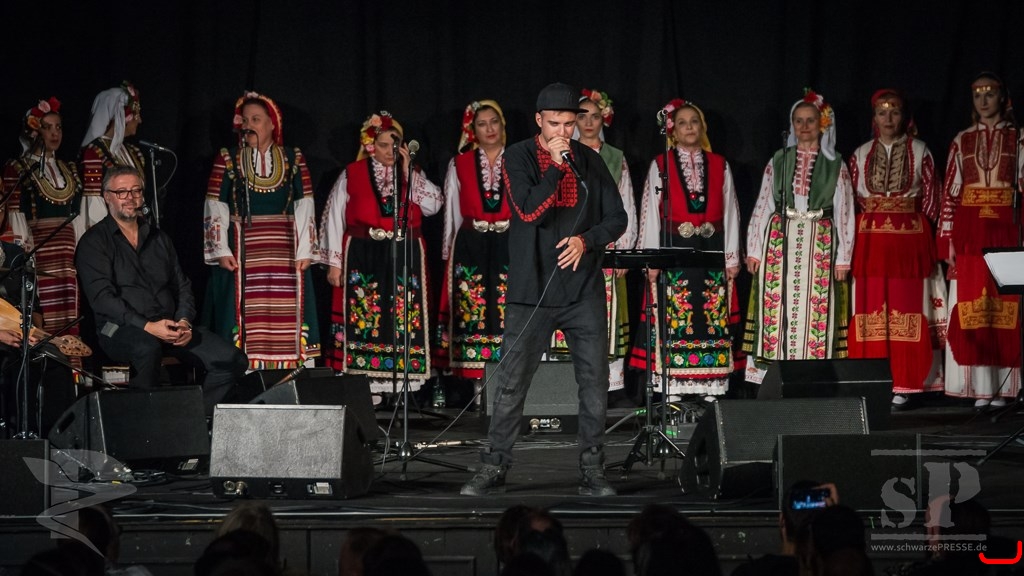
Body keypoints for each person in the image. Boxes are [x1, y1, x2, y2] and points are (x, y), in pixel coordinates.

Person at [460, 83, 627, 497]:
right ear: (539, 120)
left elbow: (617, 217)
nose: (563, 132)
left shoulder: (589, 160)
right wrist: (553, 166)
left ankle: (593, 468)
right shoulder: (517, 157)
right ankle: (494, 465)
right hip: (531, 290)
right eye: (555, 124)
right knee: (512, 383)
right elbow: (529, 210)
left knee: (594, 381)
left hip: (582, 289)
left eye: (570, 124)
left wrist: (586, 241)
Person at [76, 166, 248, 416]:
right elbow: (102, 300)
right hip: (118, 328)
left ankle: (193, 421)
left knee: (233, 360)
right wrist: (148, 326)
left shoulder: (159, 238)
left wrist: (184, 322)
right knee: (147, 348)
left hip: (169, 326)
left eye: (136, 191)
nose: (130, 197)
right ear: (107, 197)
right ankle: (145, 426)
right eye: (122, 192)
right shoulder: (94, 242)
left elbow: (182, 286)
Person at [320, 111, 443, 393]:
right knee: (366, 316)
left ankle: (401, 389)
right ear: (370, 145)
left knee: (401, 316)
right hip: (363, 255)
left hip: (404, 253)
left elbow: (433, 206)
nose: (390, 151)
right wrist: (334, 263)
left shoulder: (412, 174)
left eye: (394, 145)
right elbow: (333, 218)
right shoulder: (352, 173)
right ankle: (368, 389)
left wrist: (409, 171)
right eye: (383, 145)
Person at [743, 90, 855, 383]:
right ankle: (773, 375)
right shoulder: (780, 159)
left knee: (816, 307)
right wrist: (754, 248)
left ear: (822, 124)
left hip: (820, 240)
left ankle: (812, 375)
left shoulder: (835, 163)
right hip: (782, 238)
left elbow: (844, 211)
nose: (804, 127)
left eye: (810, 120)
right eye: (798, 121)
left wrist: (843, 257)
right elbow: (764, 203)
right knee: (777, 303)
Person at [631, 98, 741, 397]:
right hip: (674, 249)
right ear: (672, 130)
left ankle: (711, 382)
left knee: (710, 314)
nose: (689, 127)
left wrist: (732, 256)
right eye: (682, 123)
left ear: (702, 127)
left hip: (711, 248)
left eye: (694, 122)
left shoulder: (719, 164)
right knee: (676, 314)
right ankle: (673, 383)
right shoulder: (660, 165)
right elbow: (650, 212)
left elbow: (731, 211)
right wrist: (651, 258)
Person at [203, 91, 320, 370]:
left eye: (256, 119)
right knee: (243, 313)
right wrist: (220, 249)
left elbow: (305, 203)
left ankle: (292, 372)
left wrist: (306, 250)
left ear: (272, 124)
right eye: (245, 120)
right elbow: (215, 204)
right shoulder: (228, 158)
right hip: (243, 248)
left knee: (287, 312)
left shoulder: (293, 158)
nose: (248, 125)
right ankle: (243, 371)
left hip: (285, 249)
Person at [846, 90, 947, 410]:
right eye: (881, 112)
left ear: (905, 116)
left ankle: (906, 381)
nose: (888, 119)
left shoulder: (920, 151)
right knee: (871, 311)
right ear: (873, 117)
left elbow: (933, 201)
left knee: (907, 310)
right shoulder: (860, 154)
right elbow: (850, 202)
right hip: (870, 243)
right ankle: (873, 379)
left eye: (894, 112)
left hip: (909, 242)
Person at [937, 72, 1022, 410]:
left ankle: (1007, 387)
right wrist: (947, 238)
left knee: (1006, 304)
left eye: (989, 94)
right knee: (975, 305)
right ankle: (981, 388)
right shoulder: (962, 140)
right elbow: (950, 193)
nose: (983, 101)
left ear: (1002, 97)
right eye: (977, 95)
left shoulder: (1018, 137)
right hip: (970, 230)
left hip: (1007, 227)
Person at [562, 88, 637, 405]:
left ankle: (610, 386)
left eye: (595, 116)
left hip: (604, 244)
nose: (589, 122)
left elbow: (626, 203)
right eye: (583, 116)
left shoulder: (615, 157)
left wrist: (623, 248)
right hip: (569, 244)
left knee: (606, 314)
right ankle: (564, 387)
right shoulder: (562, 151)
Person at [435, 100, 510, 402]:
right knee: (473, 313)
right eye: (482, 124)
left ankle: (508, 389)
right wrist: (448, 255)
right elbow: (452, 213)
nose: (489, 129)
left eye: (494, 122)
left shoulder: (520, 159)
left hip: (508, 245)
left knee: (507, 311)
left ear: (502, 125)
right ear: (473, 130)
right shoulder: (460, 164)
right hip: (470, 247)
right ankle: (478, 391)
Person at [2, 97, 87, 340]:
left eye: (58, 127)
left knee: (70, 315)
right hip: (39, 255)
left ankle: (71, 362)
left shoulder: (69, 169)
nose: (54, 133)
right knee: (44, 317)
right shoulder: (18, 168)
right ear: (33, 131)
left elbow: (78, 216)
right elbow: (15, 219)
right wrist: (24, 258)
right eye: (47, 127)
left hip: (67, 259)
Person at [0, 237, 76, 437]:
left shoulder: (16, 255)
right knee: (15, 361)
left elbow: (34, 306)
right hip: (4, 339)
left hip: (21, 331)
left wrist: (35, 332)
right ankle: (15, 437)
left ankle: (55, 438)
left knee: (56, 359)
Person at [79, 81, 144, 228]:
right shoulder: (94, 152)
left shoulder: (132, 152)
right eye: (136, 114)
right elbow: (93, 207)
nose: (139, 120)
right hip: (112, 232)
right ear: (121, 115)